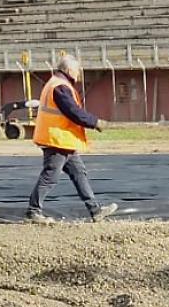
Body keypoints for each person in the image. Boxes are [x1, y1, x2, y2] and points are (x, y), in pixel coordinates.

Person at [27, 54, 114, 223]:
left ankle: (95, 211)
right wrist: (95, 122)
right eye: (77, 70)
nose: (78, 74)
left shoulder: (55, 83)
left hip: (62, 139)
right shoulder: (60, 87)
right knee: (50, 176)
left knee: (79, 173)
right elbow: (73, 111)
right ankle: (33, 211)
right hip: (56, 139)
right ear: (68, 70)